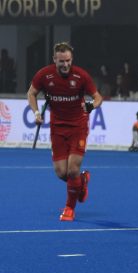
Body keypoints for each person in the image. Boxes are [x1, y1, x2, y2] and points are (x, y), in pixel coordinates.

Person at [27, 42, 102, 221]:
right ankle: (81, 183)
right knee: (62, 172)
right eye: (61, 61)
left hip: (78, 126)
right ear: (55, 60)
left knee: (72, 169)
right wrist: (36, 112)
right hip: (57, 128)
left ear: (71, 59)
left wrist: (91, 105)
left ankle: (69, 208)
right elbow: (31, 93)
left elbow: (98, 97)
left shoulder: (81, 75)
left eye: (68, 60)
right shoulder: (44, 75)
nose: (65, 64)